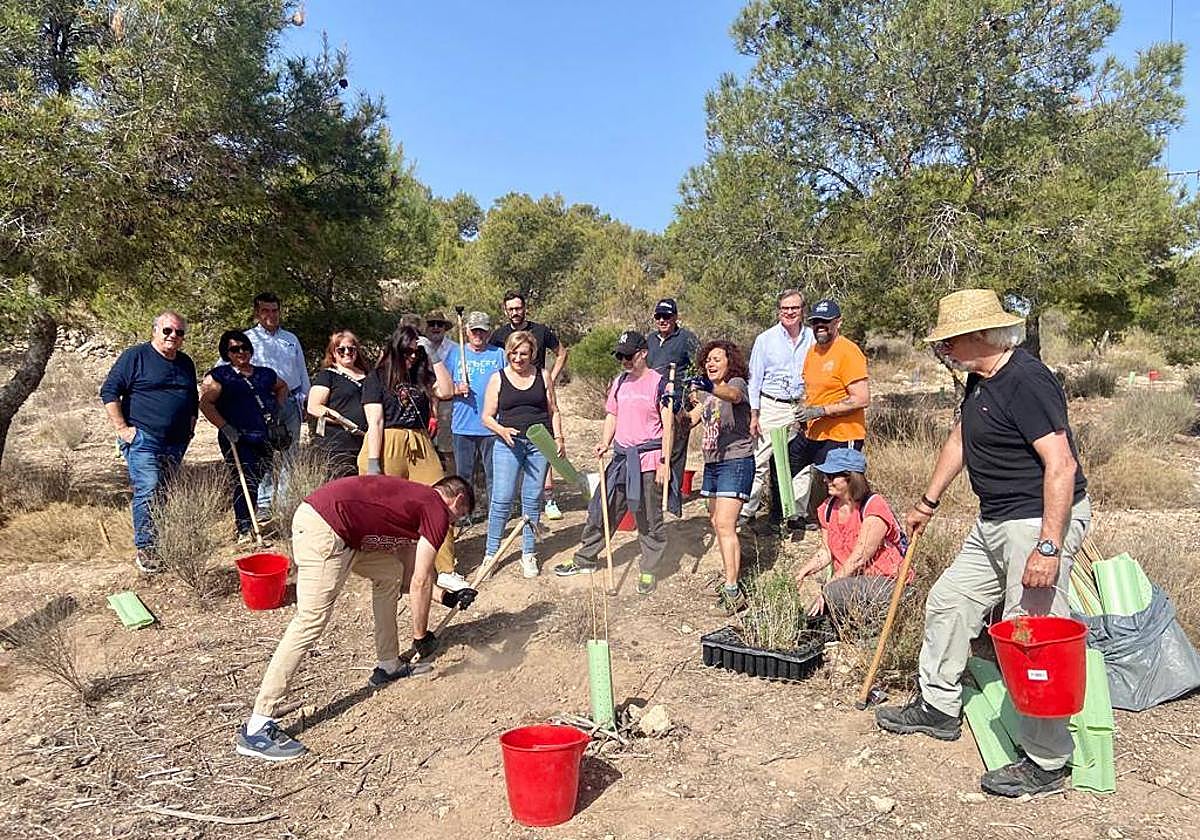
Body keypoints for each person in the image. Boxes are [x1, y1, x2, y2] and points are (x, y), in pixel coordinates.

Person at [874, 289, 1092, 799]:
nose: (945, 349)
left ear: (980, 336)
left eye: (952, 340)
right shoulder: (979, 379)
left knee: (1030, 635)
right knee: (949, 600)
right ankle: (938, 707)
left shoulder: (1027, 381)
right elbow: (959, 440)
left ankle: (1047, 761)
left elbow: (1062, 466)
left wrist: (1048, 546)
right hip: (994, 521)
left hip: (1036, 523)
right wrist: (928, 501)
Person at [236, 475, 476, 762]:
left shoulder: (415, 505)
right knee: (310, 621)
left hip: (342, 535)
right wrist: (420, 637)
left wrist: (451, 597)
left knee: (388, 574)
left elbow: (409, 578)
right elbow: (420, 582)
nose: (452, 525)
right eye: (459, 519)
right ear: (458, 500)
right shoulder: (436, 509)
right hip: (325, 530)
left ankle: (388, 664)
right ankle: (259, 724)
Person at [554, 331, 679, 595]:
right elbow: (613, 414)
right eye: (620, 356)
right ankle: (586, 558)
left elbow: (668, 427)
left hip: (648, 460)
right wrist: (605, 441)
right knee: (604, 508)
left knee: (648, 516)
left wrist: (665, 462)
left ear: (643, 353)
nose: (623, 360)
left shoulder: (660, 384)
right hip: (621, 459)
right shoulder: (620, 382)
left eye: (628, 355)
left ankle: (649, 569)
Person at [100, 311, 199, 573]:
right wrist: (122, 428)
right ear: (155, 331)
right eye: (167, 330)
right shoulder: (136, 356)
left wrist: (190, 428)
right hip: (144, 436)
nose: (173, 337)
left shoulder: (185, 362)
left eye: (179, 333)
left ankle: (160, 539)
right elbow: (109, 391)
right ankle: (146, 548)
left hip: (176, 440)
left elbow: (191, 398)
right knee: (149, 486)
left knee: (164, 491)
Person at [360, 325, 457, 575]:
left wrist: (432, 356)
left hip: (419, 441)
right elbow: (376, 421)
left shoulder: (421, 376)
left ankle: (445, 568)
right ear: (396, 349)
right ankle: (391, 569)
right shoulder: (378, 377)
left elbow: (446, 391)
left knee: (439, 498)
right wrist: (373, 463)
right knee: (386, 508)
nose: (412, 356)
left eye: (417, 352)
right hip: (387, 440)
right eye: (407, 351)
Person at [481, 330, 564, 578]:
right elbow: (486, 416)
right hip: (508, 444)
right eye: (514, 353)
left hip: (539, 444)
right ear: (508, 353)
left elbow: (554, 410)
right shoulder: (498, 378)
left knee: (532, 498)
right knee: (502, 498)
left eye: (524, 354)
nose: (518, 358)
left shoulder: (543, 376)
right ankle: (491, 554)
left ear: (532, 355)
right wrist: (501, 429)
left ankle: (528, 553)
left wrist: (559, 437)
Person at [793, 449, 910, 625]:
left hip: (886, 582)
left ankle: (872, 629)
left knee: (833, 592)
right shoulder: (826, 508)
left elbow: (859, 558)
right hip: (852, 583)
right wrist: (803, 572)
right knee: (818, 612)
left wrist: (827, 590)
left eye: (831, 476)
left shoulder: (873, 506)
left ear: (851, 478)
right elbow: (826, 551)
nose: (826, 480)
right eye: (826, 475)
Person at [199, 330, 290, 542]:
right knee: (244, 481)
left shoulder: (265, 373)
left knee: (257, 479)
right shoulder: (220, 376)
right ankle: (244, 528)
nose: (241, 352)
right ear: (226, 352)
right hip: (237, 437)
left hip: (264, 435)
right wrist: (224, 426)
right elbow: (205, 404)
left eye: (245, 347)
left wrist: (276, 406)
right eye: (235, 349)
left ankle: (250, 519)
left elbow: (282, 386)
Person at [786, 299, 871, 521]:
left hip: (843, 435)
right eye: (816, 322)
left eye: (825, 322)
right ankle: (782, 518)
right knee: (782, 465)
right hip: (813, 432)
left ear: (838, 323)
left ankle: (849, 527)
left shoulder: (848, 352)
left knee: (842, 486)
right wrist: (804, 413)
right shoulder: (813, 351)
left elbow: (861, 398)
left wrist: (820, 410)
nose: (820, 326)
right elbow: (811, 391)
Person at [686, 340, 753, 613]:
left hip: (735, 460)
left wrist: (709, 387)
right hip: (713, 462)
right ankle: (731, 572)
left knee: (725, 524)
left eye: (717, 359)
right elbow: (691, 419)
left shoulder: (736, 383)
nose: (710, 364)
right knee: (716, 522)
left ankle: (733, 590)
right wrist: (672, 407)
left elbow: (734, 397)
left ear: (729, 362)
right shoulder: (708, 395)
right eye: (708, 360)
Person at [489, 290, 568, 521]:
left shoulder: (541, 331)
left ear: (525, 309)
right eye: (510, 309)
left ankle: (549, 498)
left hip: (538, 393)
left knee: (544, 442)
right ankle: (517, 501)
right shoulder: (499, 335)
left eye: (518, 308)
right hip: (513, 394)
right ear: (505, 310)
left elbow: (562, 353)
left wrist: (550, 378)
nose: (515, 312)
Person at [743, 289, 815, 529]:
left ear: (802, 310)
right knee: (760, 460)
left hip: (803, 406)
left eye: (794, 308)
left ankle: (796, 515)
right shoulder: (765, 340)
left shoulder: (813, 339)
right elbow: (754, 380)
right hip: (772, 405)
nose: (789, 312)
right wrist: (754, 414)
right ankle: (746, 512)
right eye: (785, 308)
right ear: (779, 311)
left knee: (802, 462)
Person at [245, 292, 309, 520]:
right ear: (257, 313)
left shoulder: (290, 339)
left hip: (290, 402)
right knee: (264, 453)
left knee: (290, 453)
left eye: (275, 310)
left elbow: (301, 370)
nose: (271, 315)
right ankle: (263, 503)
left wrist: (305, 400)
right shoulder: (247, 340)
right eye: (265, 310)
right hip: (261, 403)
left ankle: (285, 503)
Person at [442, 311, 506, 519]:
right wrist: (455, 388)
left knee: (493, 474)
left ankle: (496, 513)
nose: (478, 334)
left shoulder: (499, 354)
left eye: (482, 330)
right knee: (463, 476)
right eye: (474, 330)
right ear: (467, 331)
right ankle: (463, 514)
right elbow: (439, 387)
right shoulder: (454, 354)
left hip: (492, 426)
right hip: (463, 425)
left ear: (488, 332)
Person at [645, 297, 699, 512]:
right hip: (653, 399)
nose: (662, 320)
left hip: (677, 400)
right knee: (656, 447)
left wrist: (693, 393)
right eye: (658, 316)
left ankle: (673, 502)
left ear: (676, 317)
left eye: (667, 316)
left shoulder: (686, 338)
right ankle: (655, 496)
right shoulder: (649, 339)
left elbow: (698, 366)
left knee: (675, 450)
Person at [306, 330, 368, 479]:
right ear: (333, 353)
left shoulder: (369, 375)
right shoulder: (327, 375)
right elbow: (314, 406)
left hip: (366, 444)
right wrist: (342, 420)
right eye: (341, 349)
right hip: (338, 445)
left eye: (351, 349)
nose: (347, 352)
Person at [420, 309, 456, 461]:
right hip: (423, 401)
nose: (436, 327)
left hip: (447, 403)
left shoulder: (455, 349)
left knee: (447, 450)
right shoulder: (417, 347)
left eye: (439, 324)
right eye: (431, 324)